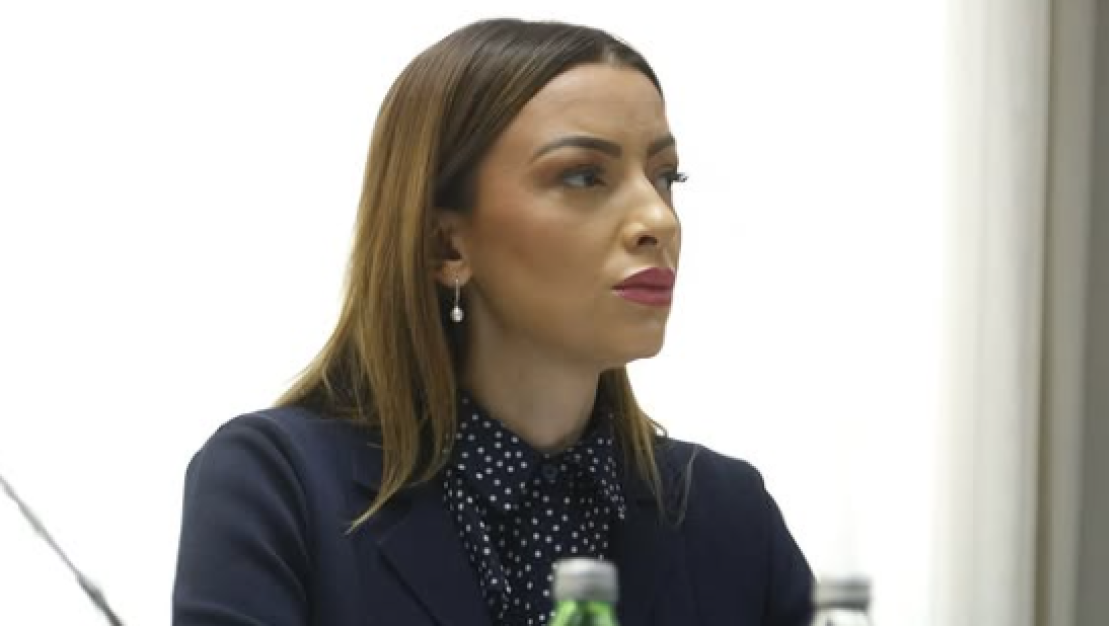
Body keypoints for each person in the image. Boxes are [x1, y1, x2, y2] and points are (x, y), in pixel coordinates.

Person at [172, 17, 814, 626]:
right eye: (584, 176)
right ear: (445, 245)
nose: (659, 220)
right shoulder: (277, 485)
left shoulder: (730, 514)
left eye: (666, 177)